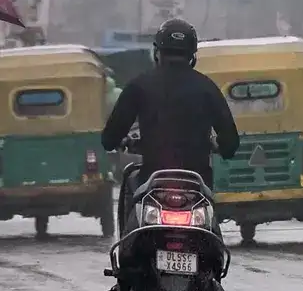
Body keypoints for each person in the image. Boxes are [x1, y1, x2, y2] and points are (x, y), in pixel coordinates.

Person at [101, 17, 240, 198]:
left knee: (130, 185)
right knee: (209, 213)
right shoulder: (207, 87)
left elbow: (110, 138)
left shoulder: (139, 85)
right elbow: (230, 143)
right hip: (197, 185)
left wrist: (123, 142)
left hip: (151, 182)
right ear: (192, 55)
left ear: (157, 52)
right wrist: (218, 146)